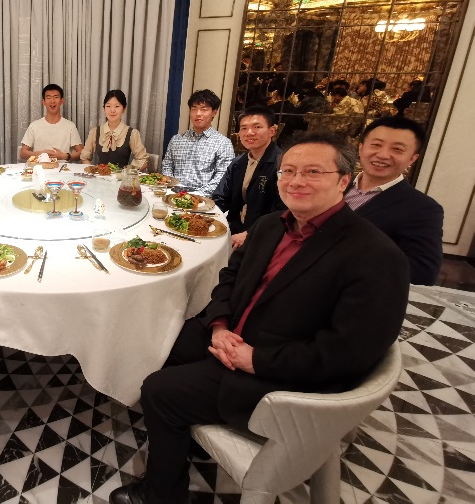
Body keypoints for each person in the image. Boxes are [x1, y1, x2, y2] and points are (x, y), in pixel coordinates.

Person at [110, 133, 409, 504]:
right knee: (164, 341)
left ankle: (161, 494)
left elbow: (351, 354)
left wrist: (257, 360)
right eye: (289, 171)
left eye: (313, 172)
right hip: (237, 336)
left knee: (160, 391)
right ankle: (183, 433)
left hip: (283, 374)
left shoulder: (376, 256)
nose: (296, 181)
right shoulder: (270, 225)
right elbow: (230, 278)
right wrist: (219, 326)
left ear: (343, 181)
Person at [345, 115, 444, 285]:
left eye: (397, 149)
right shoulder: (335, 186)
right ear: (360, 148)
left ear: (412, 158)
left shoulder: (422, 208)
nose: (383, 155)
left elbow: (423, 271)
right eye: (376, 145)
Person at [211, 106, 284, 250]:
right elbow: (221, 198)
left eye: (257, 127)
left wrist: (249, 233)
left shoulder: (282, 164)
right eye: (244, 128)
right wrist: (204, 216)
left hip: (265, 236)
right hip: (234, 229)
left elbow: (282, 211)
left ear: (272, 131)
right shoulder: (238, 163)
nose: (249, 133)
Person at [161, 89, 234, 195]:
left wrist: (197, 195)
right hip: (173, 193)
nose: (198, 114)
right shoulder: (176, 139)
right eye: (194, 109)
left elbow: (222, 177)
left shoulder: (223, 143)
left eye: (204, 109)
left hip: (203, 198)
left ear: (214, 112)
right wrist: (172, 187)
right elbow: (167, 166)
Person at [79, 89, 148, 170]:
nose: (112, 110)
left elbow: (142, 160)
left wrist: (127, 173)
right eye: (108, 106)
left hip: (121, 177)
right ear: (104, 108)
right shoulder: (95, 132)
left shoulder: (132, 133)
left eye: (117, 106)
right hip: (100, 176)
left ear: (124, 109)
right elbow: (84, 157)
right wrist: (94, 171)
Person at [19, 83, 83, 162]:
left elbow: (81, 152)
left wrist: (65, 156)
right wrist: (42, 154)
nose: (52, 101)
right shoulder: (34, 126)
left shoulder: (70, 126)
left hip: (63, 168)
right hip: (40, 167)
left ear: (62, 101)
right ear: (43, 102)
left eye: (56, 97)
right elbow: (23, 153)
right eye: (48, 97)